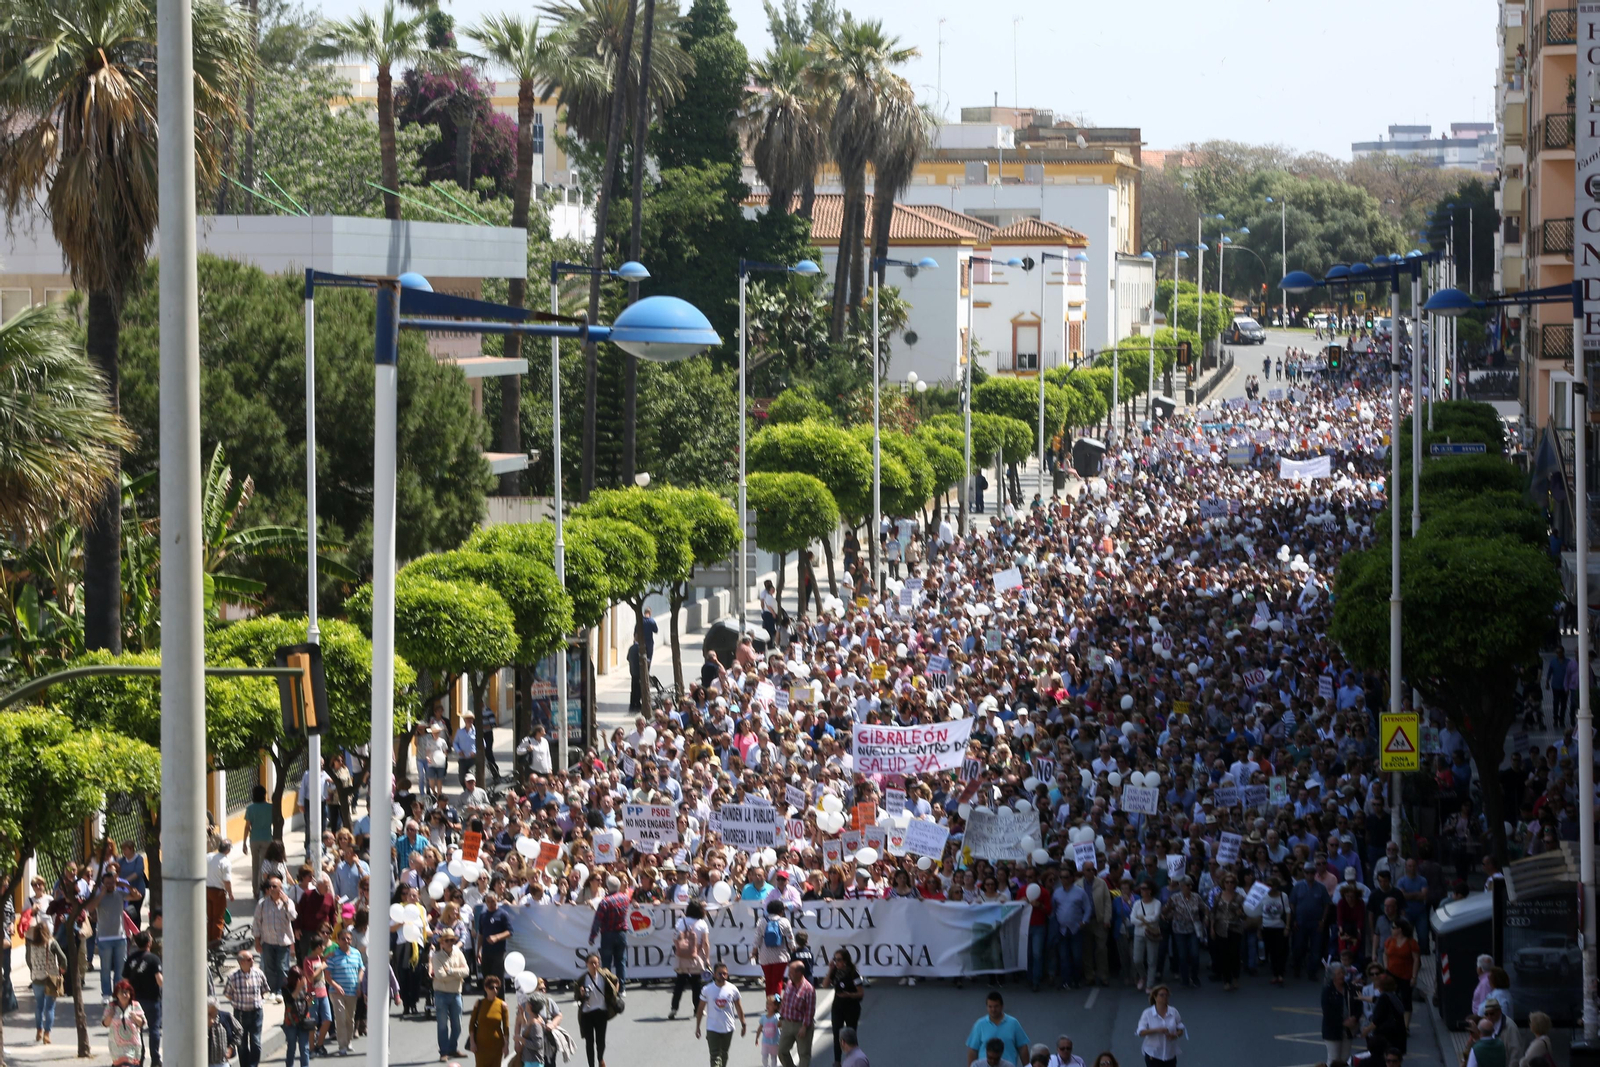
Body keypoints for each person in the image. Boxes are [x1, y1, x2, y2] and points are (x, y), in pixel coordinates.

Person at [123, 928, 163, 1067]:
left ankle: (140, 1057)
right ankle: (155, 1059)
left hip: (135, 1001)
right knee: (154, 1029)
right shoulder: (154, 959)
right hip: (152, 999)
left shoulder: (130, 959)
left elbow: (125, 982)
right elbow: (159, 980)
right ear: (149, 943)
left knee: (137, 1030)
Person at [696, 961, 746, 1067]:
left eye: (725, 973)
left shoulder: (733, 989)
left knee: (724, 1054)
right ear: (714, 974)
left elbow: (738, 1007)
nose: (723, 976)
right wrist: (698, 1027)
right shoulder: (707, 989)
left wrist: (743, 1024)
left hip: (728, 1027)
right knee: (715, 1056)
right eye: (720, 973)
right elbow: (700, 1009)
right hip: (712, 1027)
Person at [254, 875, 296, 1000]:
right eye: (269, 886)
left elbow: (293, 917)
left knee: (282, 967)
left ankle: (281, 991)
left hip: (283, 942)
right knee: (270, 967)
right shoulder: (262, 904)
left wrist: (286, 903)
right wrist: (257, 941)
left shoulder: (288, 902)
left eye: (274, 886)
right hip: (267, 941)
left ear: (280, 888)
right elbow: (256, 923)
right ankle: (272, 990)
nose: (271, 889)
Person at [224, 949, 269, 1067]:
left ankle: (253, 1065)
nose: (252, 961)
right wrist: (238, 1002)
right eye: (249, 959)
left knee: (256, 1042)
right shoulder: (233, 977)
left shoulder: (258, 973)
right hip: (240, 1014)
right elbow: (228, 994)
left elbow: (265, 990)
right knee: (242, 1043)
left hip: (256, 1013)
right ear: (241, 962)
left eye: (252, 958)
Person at [25, 917, 66, 1044]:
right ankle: (47, 1034)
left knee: (39, 1006)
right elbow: (63, 958)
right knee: (49, 1008)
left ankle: (39, 1030)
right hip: (51, 979)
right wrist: (62, 969)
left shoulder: (31, 945)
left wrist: (34, 969)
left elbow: (28, 960)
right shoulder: (51, 943)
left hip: (36, 979)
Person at [325, 924, 365, 1056]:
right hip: (336, 993)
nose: (346, 941)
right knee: (340, 1018)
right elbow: (327, 975)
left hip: (352, 991)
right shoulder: (333, 955)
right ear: (338, 940)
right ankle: (342, 1045)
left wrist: (359, 984)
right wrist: (336, 986)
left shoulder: (356, 953)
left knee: (350, 1019)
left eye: (348, 939)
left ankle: (348, 1042)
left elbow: (361, 969)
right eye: (343, 939)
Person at [430, 929, 469, 1060]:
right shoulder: (437, 956)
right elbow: (440, 975)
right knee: (442, 1025)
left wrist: (451, 971)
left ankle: (452, 1048)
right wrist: (458, 975)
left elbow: (467, 971)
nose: (450, 943)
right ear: (442, 942)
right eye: (447, 940)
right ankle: (444, 1052)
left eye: (452, 940)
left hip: (456, 993)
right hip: (441, 993)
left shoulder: (459, 954)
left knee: (457, 1024)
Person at [587, 877, 632, 993]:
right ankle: (622, 989)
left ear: (607, 887)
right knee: (621, 961)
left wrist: (592, 936)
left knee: (606, 962)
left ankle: (608, 988)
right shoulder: (625, 898)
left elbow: (598, 920)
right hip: (621, 933)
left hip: (608, 934)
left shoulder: (605, 902)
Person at [575, 952, 619, 1067]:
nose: (594, 965)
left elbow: (616, 981)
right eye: (592, 963)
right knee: (589, 1042)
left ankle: (600, 1059)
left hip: (601, 1012)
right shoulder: (582, 979)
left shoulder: (604, 974)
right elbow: (577, 997)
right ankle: (591, 1065)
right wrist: (581, 994)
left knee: (601, 1041)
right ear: (586, 964)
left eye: (596, 963)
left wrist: (615, 994)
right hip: (587, 1014)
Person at [965, 990, 1030, 1067]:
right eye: (990, 1006)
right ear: (986, 1007)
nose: (993, 1010)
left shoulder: (1013, 1023)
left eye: (996, 1006)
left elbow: (1022, 1048)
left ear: (1002, 1006)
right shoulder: (980, 1024)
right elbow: (973, 1050)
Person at [670, 900, 711, 1020]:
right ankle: (697, 1009)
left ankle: (674, 1008)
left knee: (680, 983)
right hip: (695, 956)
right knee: (696, 984)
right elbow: (706, 943)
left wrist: (681, 947)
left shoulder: (680, 922)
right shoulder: (702, 924)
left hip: (681, 956)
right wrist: (707, 958)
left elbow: (675, 938)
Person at [824, 948, 864, 1067]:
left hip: (852, 1008)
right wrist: (830, 969)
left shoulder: (853, 974)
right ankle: (837, 1061)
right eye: (835, 959)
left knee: (851, 1034)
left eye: (839, 960)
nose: (836, 962)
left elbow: (861, 993)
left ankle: (852, 1059)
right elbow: (825, 985)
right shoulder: (835, 971)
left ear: (845, 961)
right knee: (837, 1034)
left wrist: (849, 995)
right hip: (837, 1007)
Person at [777, 958, 816, 1067]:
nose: (788, 975)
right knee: (782, 1051)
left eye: (791, 972)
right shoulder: (789, 984)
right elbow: (785, 1002)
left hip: (801, 1026)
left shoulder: (809, 989)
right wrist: (781, 1018)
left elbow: (810, 1010)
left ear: (799, 973)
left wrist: (804, 1027)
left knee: (804, 1054)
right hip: (787, 1023)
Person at [755, 897, 796, 997]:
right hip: (780, 955)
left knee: (768, 980)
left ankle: (769, 1004)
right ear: (781, 911)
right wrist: (793, 948)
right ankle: (776, 1004)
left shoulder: (761, 921)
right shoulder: (785, 922)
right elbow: (790, 939)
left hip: (765, 956)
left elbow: (757, 939)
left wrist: (754, 952)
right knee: (778, 980)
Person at [1135, 985, 1185, 1067]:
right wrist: (1157, 1030)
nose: (1165, 997)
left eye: (1166, 995)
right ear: (1155, 997)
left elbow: (1180, 1029)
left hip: (1170, 1055)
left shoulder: (1173, 1011)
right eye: (1162, 995)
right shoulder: (1147, 1013)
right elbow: (1141, 1032)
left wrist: (1175, 1035)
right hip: (1153, 1055)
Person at [466, 974, 510, 1067]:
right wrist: (472, 1043)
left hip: (497, 1045)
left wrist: (506, 1046)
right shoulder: (479, 1003)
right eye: (492, 987)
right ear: (486, 988)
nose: (495, 990)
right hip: (480, 1045)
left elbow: (506, 1028)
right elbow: (472, 1024)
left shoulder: (502, 1005)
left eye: (497, 988)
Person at [1362, 973, 1407, 1062]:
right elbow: (1375, 999)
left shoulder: (1384, 998)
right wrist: (1362, 997)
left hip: (1386, 1036)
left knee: (1385, 1060)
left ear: (1381, 986)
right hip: (1398, 1035)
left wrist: (1366, 1031)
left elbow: (1377, 1020)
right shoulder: (1394, 996)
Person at [104, 979, 149, 1067]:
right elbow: (105, 1024)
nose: (124, 995)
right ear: (117, 994)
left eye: (126, 992)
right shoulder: (111, 1006)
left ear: (130, 994)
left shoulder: (135, 1005)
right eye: (121, 992)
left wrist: (135, 1017)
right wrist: (110, 1015)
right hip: (116, 1045)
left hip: (132, 1044)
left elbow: (143, 1023)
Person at [1320, 962, 1357, 1065]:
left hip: (1349, 1030)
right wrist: (1342, 1022)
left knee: (1345, 1058)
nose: (1342, 975)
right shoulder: (1327, 991)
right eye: (1338, 974)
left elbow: (1358, 1005)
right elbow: (1327, 1012)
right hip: (1332, 1030)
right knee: (1333, 1059)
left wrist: (1355, 1017)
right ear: (1332, 976)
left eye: (1342, 973)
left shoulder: (1351, 988)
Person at [206, 839, 235, 944]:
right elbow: (227, 881)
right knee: (218, 918)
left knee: (210, 917)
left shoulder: (208, 856)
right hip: (218, 892)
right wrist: (230, 893)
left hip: (206, 890)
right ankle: (216, 941)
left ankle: (209, 939)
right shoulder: (226, 862)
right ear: (228, 850)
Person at [207, 997, 239, 1067]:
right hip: (207, 1062)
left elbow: (239, 1031)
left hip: (223, 1062)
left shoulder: (226, 1017)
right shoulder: (202, 1020)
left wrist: (231, 1047)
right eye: (209, 1013)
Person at [756, 994, 783, 1067]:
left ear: (775, 1007)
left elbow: (781, 1026)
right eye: (767, 1003)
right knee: (764, 1057)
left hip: (775, 1042)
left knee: (774, 1058)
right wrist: (757, 1038)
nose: (768, 1005)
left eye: (770, 1004)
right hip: (765, 1042)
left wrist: (780, 1021)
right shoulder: (763, 1017)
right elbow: (760, 1028)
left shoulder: (777, 1017)